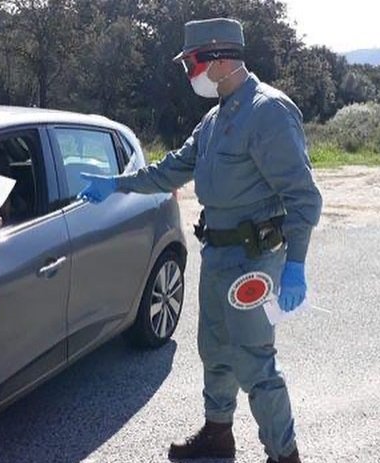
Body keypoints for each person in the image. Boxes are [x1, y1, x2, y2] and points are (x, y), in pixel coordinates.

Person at [79, 17, 322, 463]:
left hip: (254, 258)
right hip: (218, 253)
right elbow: (172, 169)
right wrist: (116, 183)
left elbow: (304, 196)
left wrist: (296, 264)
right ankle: (218, 433)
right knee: (215, 348)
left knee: (255, 360)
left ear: (217, 58)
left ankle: (284, 454)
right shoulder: (216, 117)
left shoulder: (268, 111)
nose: (189, 72)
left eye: (191, 62)